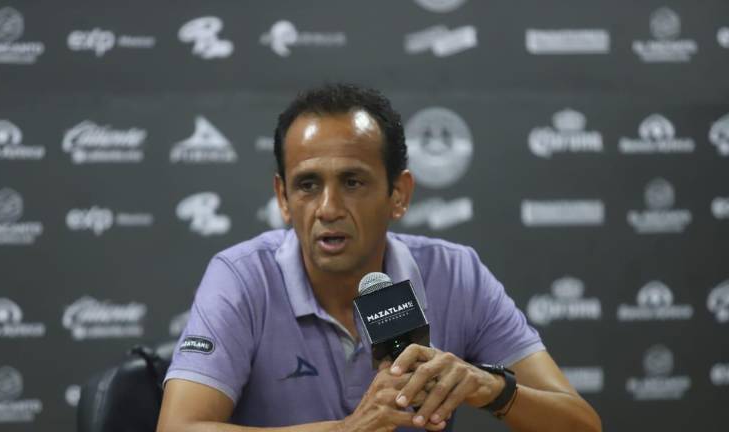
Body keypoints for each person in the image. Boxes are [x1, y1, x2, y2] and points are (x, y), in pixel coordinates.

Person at [157, 83, 602, 432]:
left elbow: (582, 424)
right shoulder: (241, 277)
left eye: (352, 182)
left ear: (399, 194)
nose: (328, 209)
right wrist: (346, 430)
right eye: (308, 185)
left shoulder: (455, 274)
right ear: (283, 198)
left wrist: (490, 388)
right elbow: (179, 428)